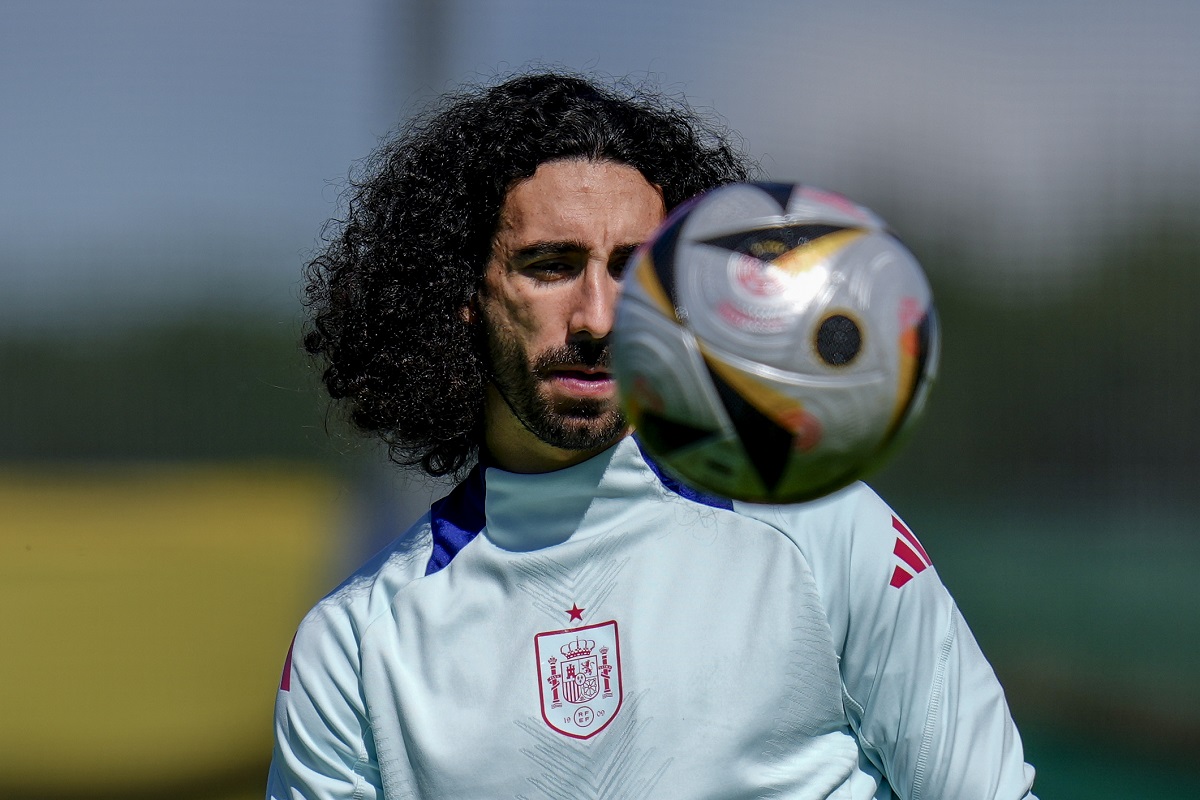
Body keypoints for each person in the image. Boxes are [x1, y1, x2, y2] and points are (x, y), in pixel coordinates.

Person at [269, 71, 1037, 799]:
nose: (599, 318)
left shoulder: (825, 528)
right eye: (550, 266)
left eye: (633, 267)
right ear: (462, 293)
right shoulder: (355, 647)